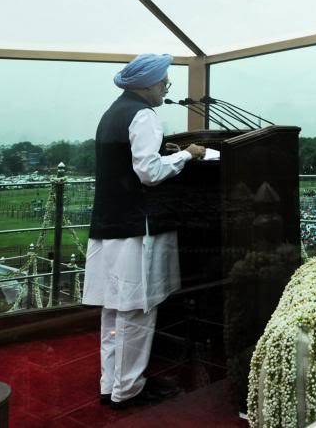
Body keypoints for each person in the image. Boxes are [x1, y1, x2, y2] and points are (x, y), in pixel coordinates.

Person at [83, 53, 206, 409]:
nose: (166, 88)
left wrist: (164, 153)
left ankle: (112, 385)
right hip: (138, 228)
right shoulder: (144, 115)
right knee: (137, 310)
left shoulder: (112, 113)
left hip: (110, 226)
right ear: (149, 84)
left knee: (113, 310)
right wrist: (187, 155)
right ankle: (129, 390)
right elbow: (149, 172)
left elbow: (131, 160)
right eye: (165, 82)